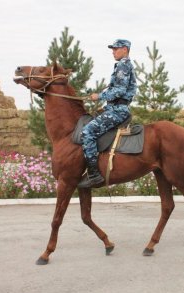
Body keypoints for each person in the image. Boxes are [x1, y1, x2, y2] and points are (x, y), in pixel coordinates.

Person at [78, 39, 137, 188]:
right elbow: (115, 88)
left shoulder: (123, 65)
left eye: (116, 49)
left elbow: (120, 91)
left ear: (125, 49)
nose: (113, 52)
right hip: (113, 108)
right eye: (113, 49)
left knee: (88, 132)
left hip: (118, 110)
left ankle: (94, 175)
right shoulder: (122, 65)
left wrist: (100, 97)